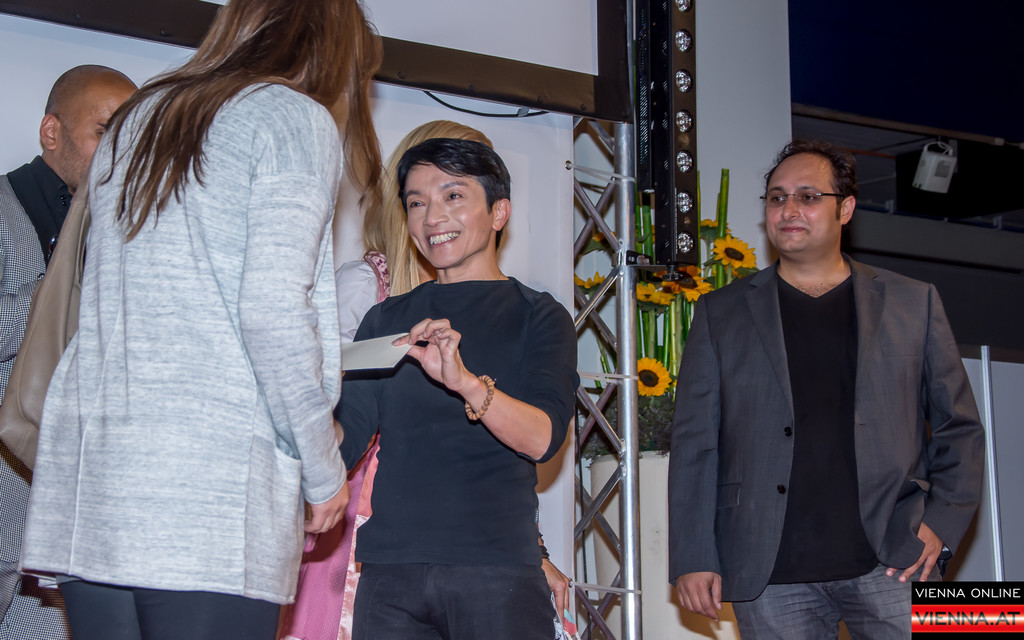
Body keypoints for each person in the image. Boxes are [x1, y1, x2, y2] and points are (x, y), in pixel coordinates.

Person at [18, 0, 382, 637]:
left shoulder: (139, 118)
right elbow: (273, 314)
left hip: (96, 488)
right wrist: (324, 470)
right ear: (331, 47)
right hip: (207, 494)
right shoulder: (290, 117)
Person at [668, 140, 985, 639]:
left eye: (808, 196)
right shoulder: (720, 312)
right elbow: (695, 445)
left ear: (846, 208)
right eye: (777, 198)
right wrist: (692, 555)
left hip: (896, 560)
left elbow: (959, 427)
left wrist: (942, 524)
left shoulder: (914, 301)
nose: (789, 209)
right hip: (768, 572)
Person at [281, 121, 572, 640]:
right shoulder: (386, 318)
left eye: (453, 196)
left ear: (499, 212)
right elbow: (348, 437)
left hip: (498, 573)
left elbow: (542, 439)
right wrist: (308, 393)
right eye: (416, 202)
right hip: (392, 578)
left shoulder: (538, 315)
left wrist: (466, 383)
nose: (433, 216)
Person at [0, 64, 136, 639]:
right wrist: (52, 301)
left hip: (66, 513)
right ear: (50, 131)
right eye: (105, 131)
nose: (121, 152)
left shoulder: (129, 235)